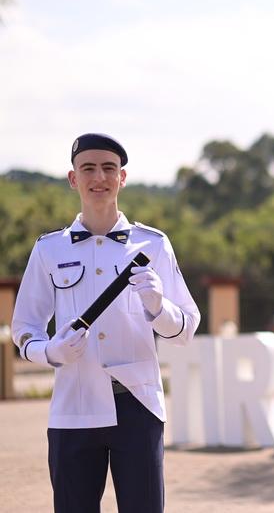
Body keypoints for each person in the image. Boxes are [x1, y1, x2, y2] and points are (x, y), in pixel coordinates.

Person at [11, 133, 201, 513]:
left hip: (138, 405)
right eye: (88, 168)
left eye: (109, 168)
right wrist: (50, 351)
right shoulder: (49, 249)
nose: (99, 177)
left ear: (122, 177)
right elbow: (24, 329)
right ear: (73, 178)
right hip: (73, 406)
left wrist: (158, 306)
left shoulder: (153, 245)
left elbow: (186, 329)